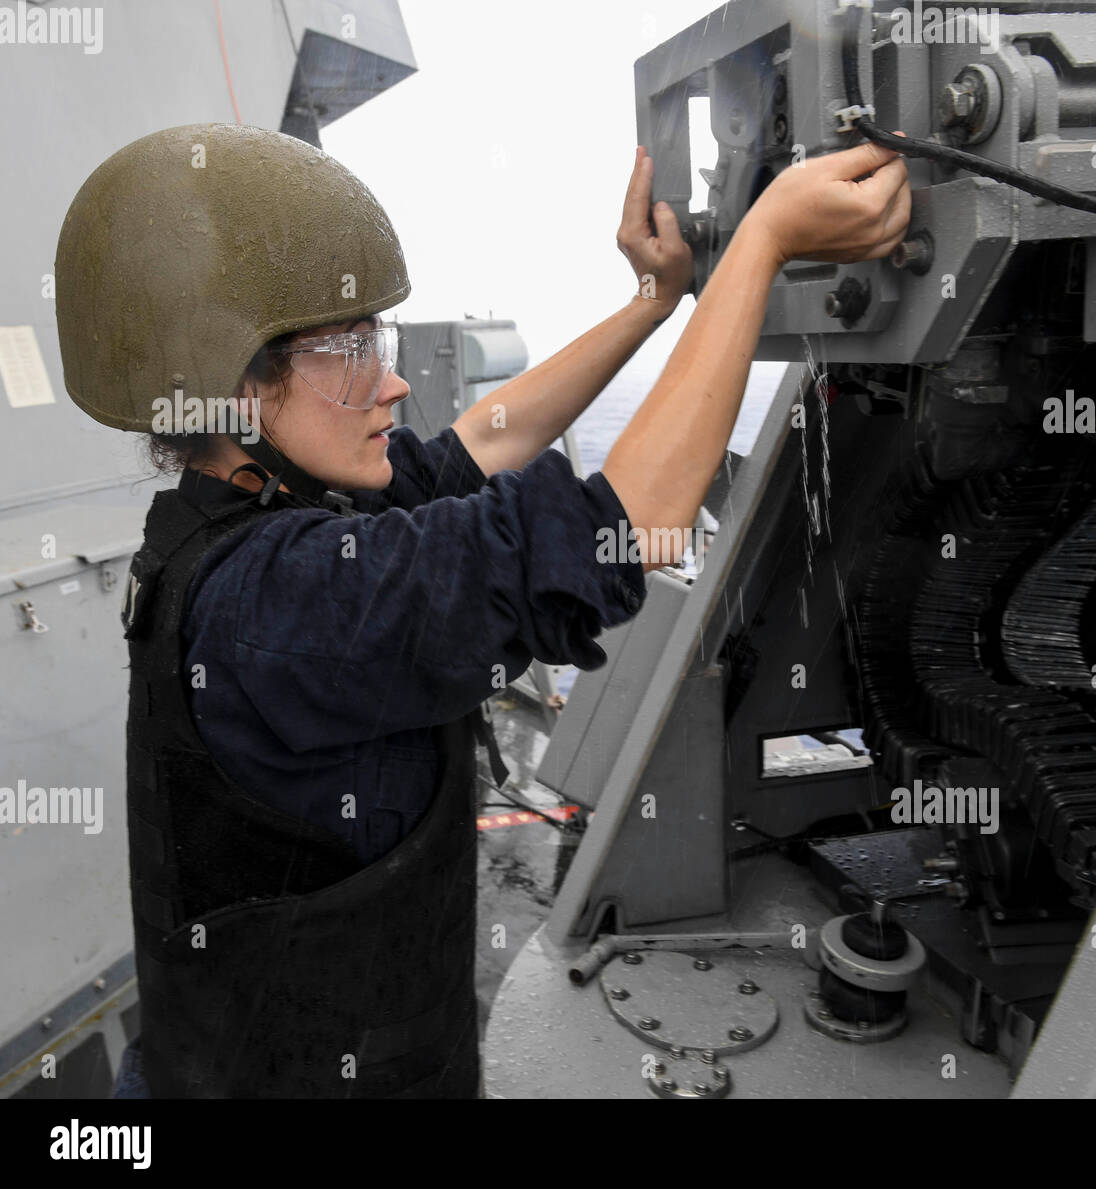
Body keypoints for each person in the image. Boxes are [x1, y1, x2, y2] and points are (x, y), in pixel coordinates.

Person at [55, 121, 910, 1099]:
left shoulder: (251, 512)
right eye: (345, 350)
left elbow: (484, 441)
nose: (393, 378)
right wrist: (762, 241)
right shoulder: (283, 598)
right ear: (234, 387)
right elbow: (623, 526)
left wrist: (655, 299)